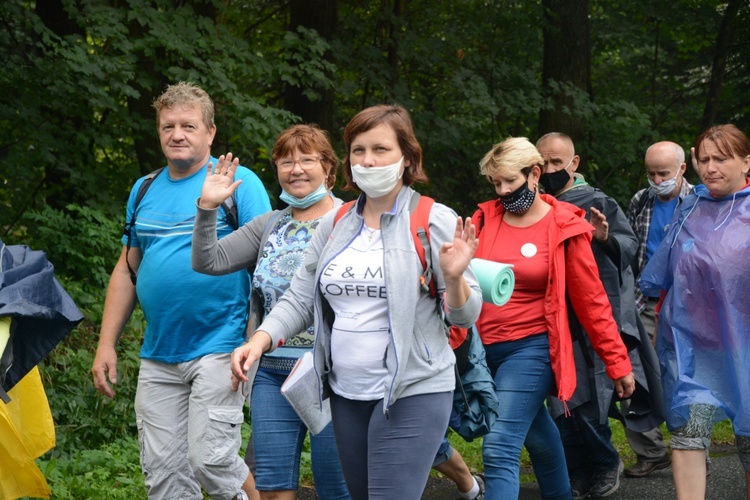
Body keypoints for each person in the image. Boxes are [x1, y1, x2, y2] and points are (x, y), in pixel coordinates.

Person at [230, 104, 483, 500]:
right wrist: (259, 340)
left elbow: (465, 316)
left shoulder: (432, 218)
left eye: (380, 149)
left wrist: (453, 278)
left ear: (407, 158)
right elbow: (300, 297)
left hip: (412, 391)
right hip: (345, 394)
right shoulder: (337, 221)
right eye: (358, 150)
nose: (368, 160)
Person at [91, 81, 271, 500]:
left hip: (223, 347)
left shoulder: (238, 183)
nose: (177, 134)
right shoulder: (144, 189)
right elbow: (127, 270)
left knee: (212, 460)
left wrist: (263, 336)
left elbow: (270, 261)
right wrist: (106, 343)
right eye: (167, 125)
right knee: (164, 477)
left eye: (188, 125)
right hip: (159, 354)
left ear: (210, 132)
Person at [471, 137, 635, 500]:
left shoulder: (564, 225)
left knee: (499, 446)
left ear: (534, 174)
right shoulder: (485, 219)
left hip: (532, 348)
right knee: (541, 438)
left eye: (509, 181)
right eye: (495, 184)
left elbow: (593, 302)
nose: (502, 191)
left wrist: (617, 363)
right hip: (483, 350)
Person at [191, 124, 349, 500]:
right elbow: (207, 261)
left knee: (336, 487)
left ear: (328, 168)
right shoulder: (270, 224)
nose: (296, 169)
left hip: (333, 373)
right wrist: (208, 207)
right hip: (272, 373)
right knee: (273, 488)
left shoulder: (351, 221)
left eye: (307, 160)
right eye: (286, 161)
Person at [534, 132, 664, 498]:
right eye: (542, 163)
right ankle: (575, 470)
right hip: (551, 315)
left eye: (556, 163)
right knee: (559, 403)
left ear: (574, 164)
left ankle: (605, 463)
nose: (549, 170)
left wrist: (604, 237)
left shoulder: (597, 201)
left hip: (595, 316)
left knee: (590, 402)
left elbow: (630, 247)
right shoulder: (534, 206)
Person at [639, 124, 750, 500]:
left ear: (746, 161)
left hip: (746, 350)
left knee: (749, 442)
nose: (710, 167)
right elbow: (666, 275)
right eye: (704, 159)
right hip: (695, 351)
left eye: (721, 158)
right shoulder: (690, 208)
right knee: (688, 434)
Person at [624, 141, 693, 478]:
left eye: (663, 173)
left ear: (682, 169)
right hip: (643, 300)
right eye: (651, 173)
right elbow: (630, 249)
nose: (656, 179)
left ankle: (692, 451)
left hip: (686, 302)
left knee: (682, 378)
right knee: (632, 372)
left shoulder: (700, 200)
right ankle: (651, 451)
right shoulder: (640, 200)